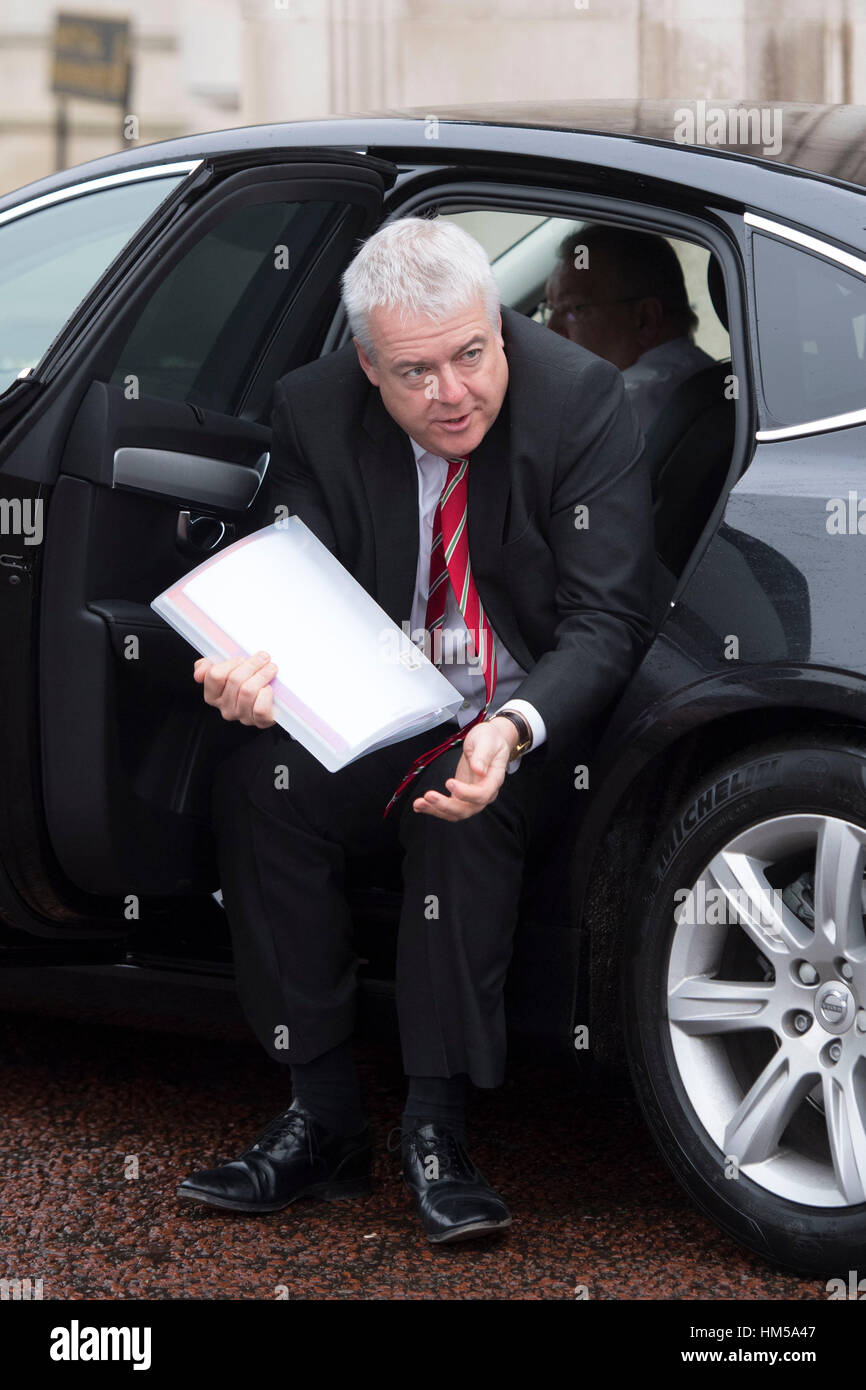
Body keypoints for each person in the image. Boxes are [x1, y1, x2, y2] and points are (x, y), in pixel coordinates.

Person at [178, 216, 656, 1245]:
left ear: (498, 326)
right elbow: (296, 585)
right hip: (380, 698)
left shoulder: (580, 401)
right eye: (415, 371)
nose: (453, 392)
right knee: (259, 782)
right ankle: (321, 1117)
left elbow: (606, 621)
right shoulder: (312, 407)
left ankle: (436, 1129)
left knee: (458, 812)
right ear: (366, 366)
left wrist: (512, 729)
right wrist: (250, 670)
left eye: (472, 355)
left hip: (522, 712)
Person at [543, 223, 714, 434]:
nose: (551, 329)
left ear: (645, 319)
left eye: (575, 309)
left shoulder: (620, 409)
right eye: (550, 309)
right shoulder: (708, 378)